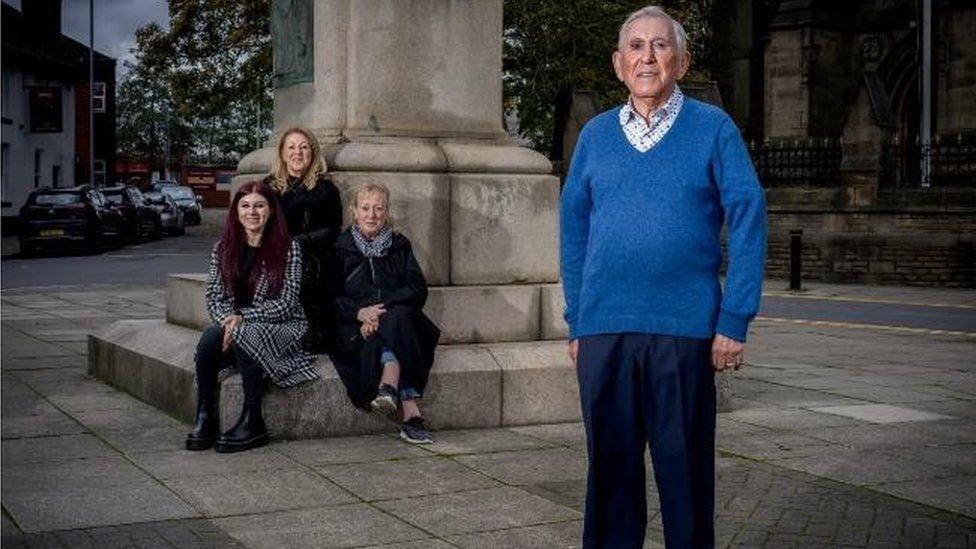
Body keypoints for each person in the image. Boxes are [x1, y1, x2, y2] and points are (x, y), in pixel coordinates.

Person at [560, 6, 767, 548]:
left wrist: (734, 318)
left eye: (659, 46)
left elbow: (748, 216)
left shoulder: (713, 128)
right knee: (610, 475)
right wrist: (578, 321)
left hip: (684, 330)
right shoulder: (596, 135)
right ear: (618, 62)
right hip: (604, 330)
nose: (646, 57)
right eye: (635, 46)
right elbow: (573, 231)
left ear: (681, 60)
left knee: (684, 475)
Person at [186, 181, 319, 453]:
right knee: (210, 338)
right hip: (236, 326)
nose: (252, 212)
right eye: (245, 206)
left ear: (271, 210)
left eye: (259, 205)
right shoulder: (223, 248)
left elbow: (287, 302)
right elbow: (214, 297)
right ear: (236, 212)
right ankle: (206, 416)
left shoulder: (289, 248)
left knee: (246, 332)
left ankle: (253, 420)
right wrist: (228, 320)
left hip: (284, 326)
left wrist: (242, 318)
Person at [331, 183, 440, 444]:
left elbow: (416, 290)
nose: (372, 215)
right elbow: (330, 298)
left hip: (395, 320)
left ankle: (390, 384)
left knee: (399, 317)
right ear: (354, 212)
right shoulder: (339, 248)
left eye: (378, 209)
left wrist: (378, 313)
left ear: (387, 212)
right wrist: (360, 313)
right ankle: (410, 410)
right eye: (365, 208)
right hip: (356, 327)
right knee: (398, 326)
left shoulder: (399, 245)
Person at [265, 126, 343, 353]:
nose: (297, 152)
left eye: (303, 146)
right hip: (276, 260)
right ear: (282, 153)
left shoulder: (326, 189)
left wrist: (298, 243)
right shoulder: (268, 187)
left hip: (313, 263)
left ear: (312, 152)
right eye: (291, 147)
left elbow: (333, 229)